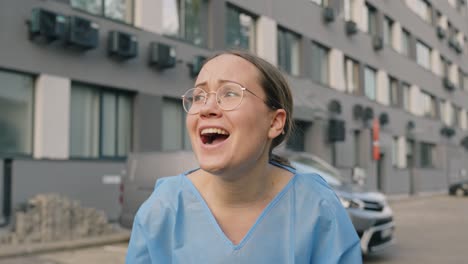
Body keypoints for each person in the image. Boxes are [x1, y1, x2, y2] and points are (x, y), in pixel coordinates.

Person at [126, 50, 362, 263]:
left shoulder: (318, 210)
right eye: (198, 96)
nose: (207, 107)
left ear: (274, 122)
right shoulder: (163, 210)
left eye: (229, 93)